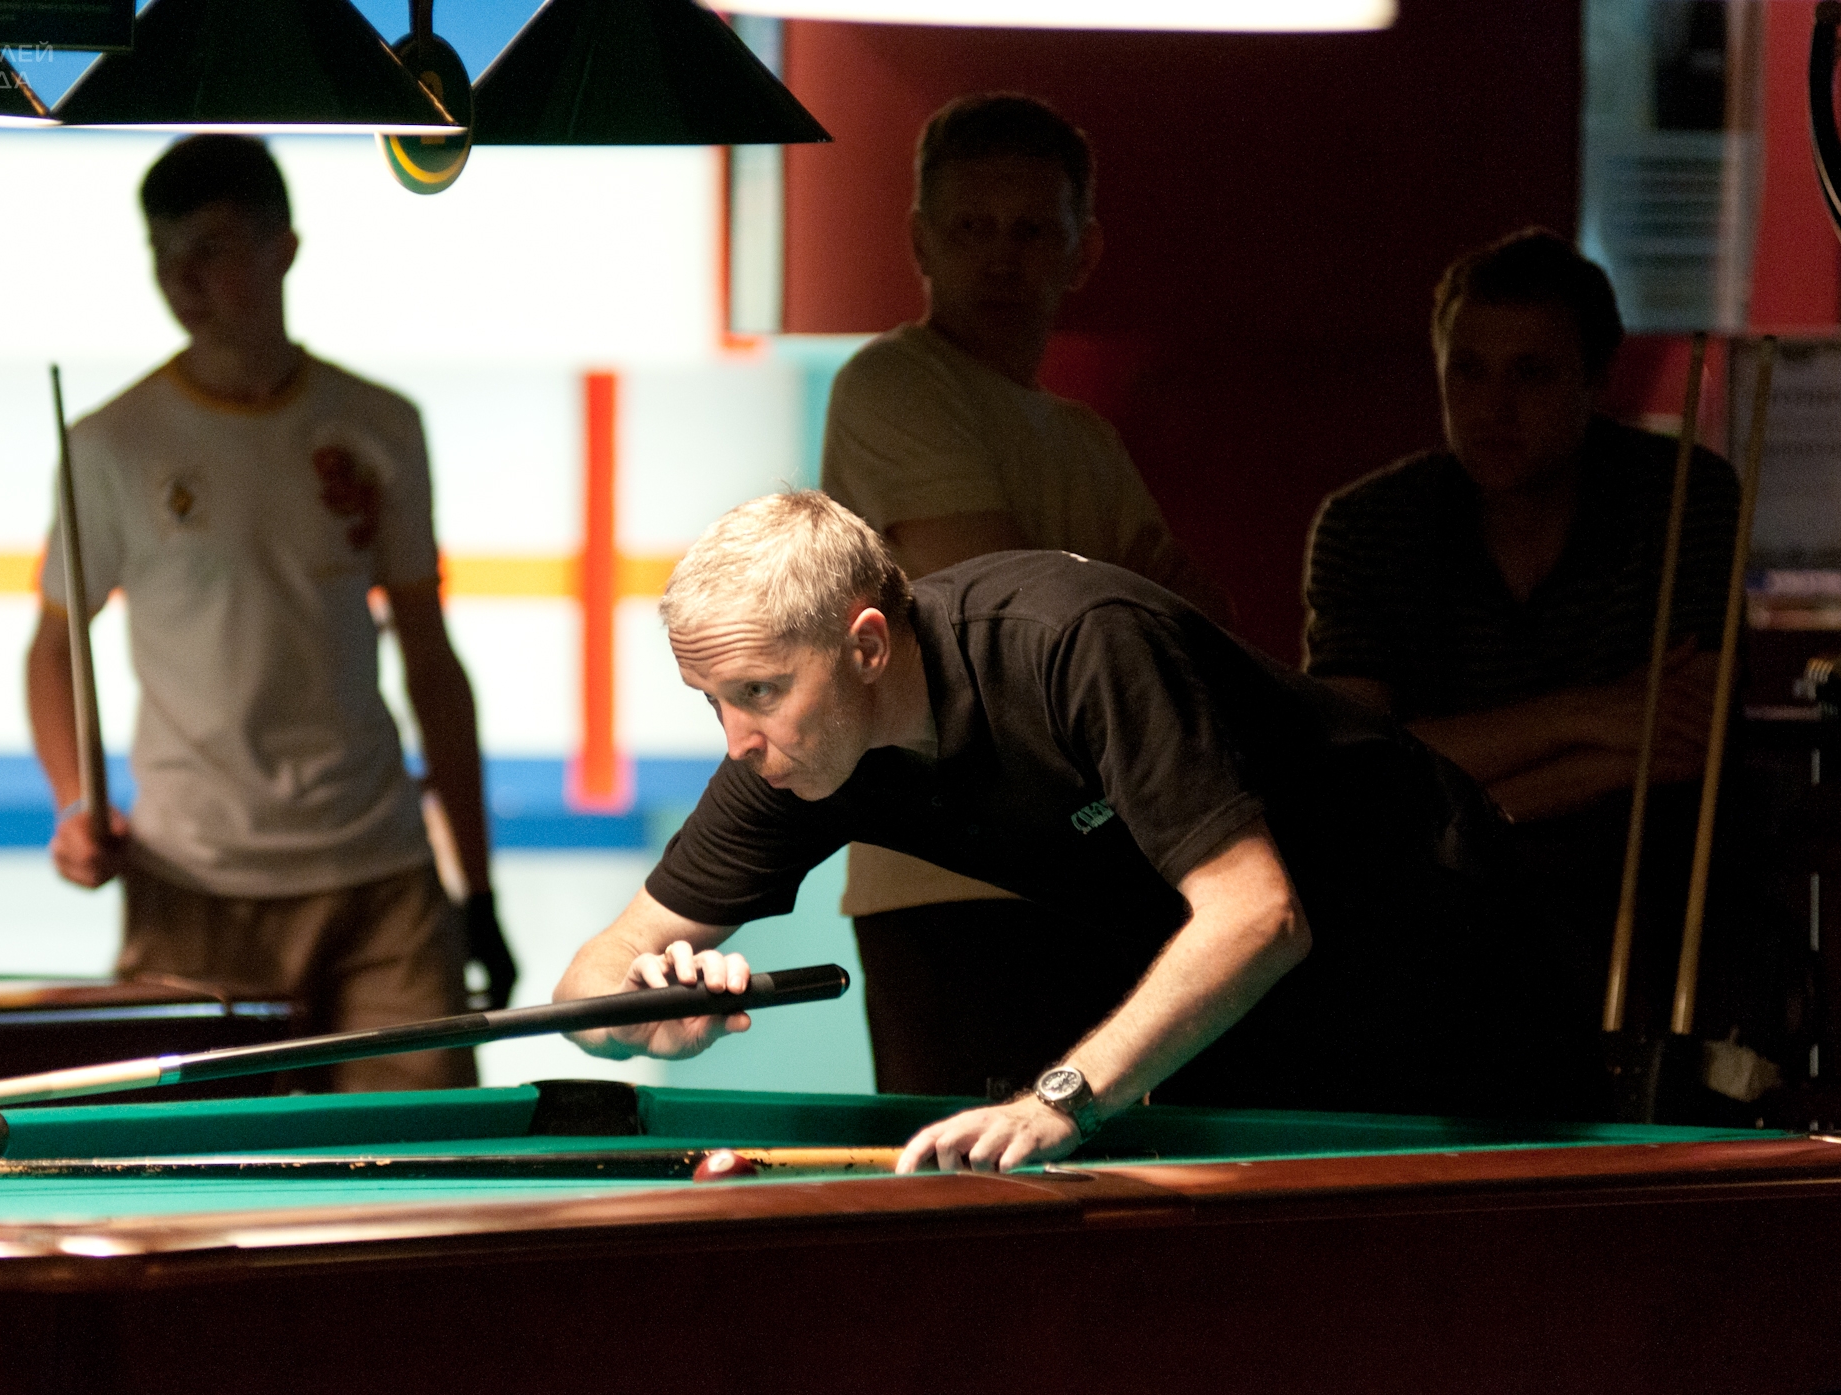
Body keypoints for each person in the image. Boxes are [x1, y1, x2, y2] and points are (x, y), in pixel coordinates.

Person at [555, 491, 1570, 1174]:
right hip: (1261, 996)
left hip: (1445, 931)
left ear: (865, 645)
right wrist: (644, 1012)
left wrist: (1062, 1097)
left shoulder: (1072, 644)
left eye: (759, 691)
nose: (735, 737)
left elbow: (1260, 914)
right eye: (712, 699)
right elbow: (587, 986)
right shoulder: (792, 757)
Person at [25, 135, 515, 1091]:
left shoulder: (379, 426)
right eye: (163, 250)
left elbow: (431, 659)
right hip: (190, 887)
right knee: (184, 1170)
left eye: (210, 247)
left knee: (430, 1161)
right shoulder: (110, 446)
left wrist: (480, 886)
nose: (181, 277)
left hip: (382, 883)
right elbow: (52, 646)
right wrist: (76, 803)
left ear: (283, 248)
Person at [820, 93, 1233, 1100]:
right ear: (921, 241)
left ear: (1082, 251)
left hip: (1095, 876)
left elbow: (1203, 638)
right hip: (942, 878)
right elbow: (1009, 629)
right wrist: (1116, 617)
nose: (1001, 260)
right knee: (964, 1182)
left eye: (1031, 231)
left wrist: (1103, 619)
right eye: (972, 229)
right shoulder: (892, 382)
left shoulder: (1085, 438)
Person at [1304, 228, 1739, 1044]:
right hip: (1432, 922)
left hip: (1641, 912)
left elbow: (1688, 743)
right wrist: (1588, 716)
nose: (1493, 407)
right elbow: (1354, 773)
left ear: (1596, 380)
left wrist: (1445, 799)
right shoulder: (1368, 524)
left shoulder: (1685, 494)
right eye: (1467, 370)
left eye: (1531, 372)